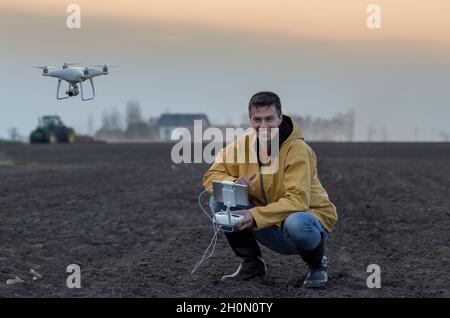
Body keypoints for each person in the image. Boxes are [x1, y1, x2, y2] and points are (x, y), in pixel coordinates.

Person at [203, 91, 338, 288]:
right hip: (268, 222)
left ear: (280, 118)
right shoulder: (242, 145)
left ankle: (317, 265)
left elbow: (298, 201)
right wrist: (233, 183)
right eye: (257, 119)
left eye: (269, 119)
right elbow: (211, 176)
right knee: (220, 199)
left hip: (304, 223)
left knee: (297, 222)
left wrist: (255, 215)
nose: (263, 126)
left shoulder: (297, 150)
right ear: (250, 121)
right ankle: (252, 264)